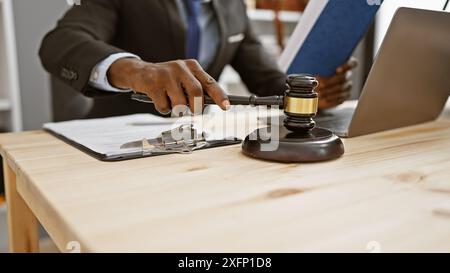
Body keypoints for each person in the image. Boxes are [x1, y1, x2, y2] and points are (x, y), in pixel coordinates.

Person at [39, 0, 355, 118]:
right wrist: (139, 71)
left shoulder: (233, 9)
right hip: (117, 140)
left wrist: (313, 94)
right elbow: (59, 43)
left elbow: (268, 81)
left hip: (195, 147)